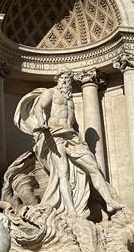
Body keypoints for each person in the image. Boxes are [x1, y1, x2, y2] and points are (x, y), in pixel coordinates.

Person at [13, 71, 124, 217]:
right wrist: (41, 121)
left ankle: (109, 201)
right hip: (54, 136)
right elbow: (38, 108)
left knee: (93, 167)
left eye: (68, 79)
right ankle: (71, 210)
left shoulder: (70, 100)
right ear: (58, 80)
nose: (66, 81)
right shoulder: (50, 93)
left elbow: (73, 123)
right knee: (63, 173)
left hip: (72, 137)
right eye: (64, 78)